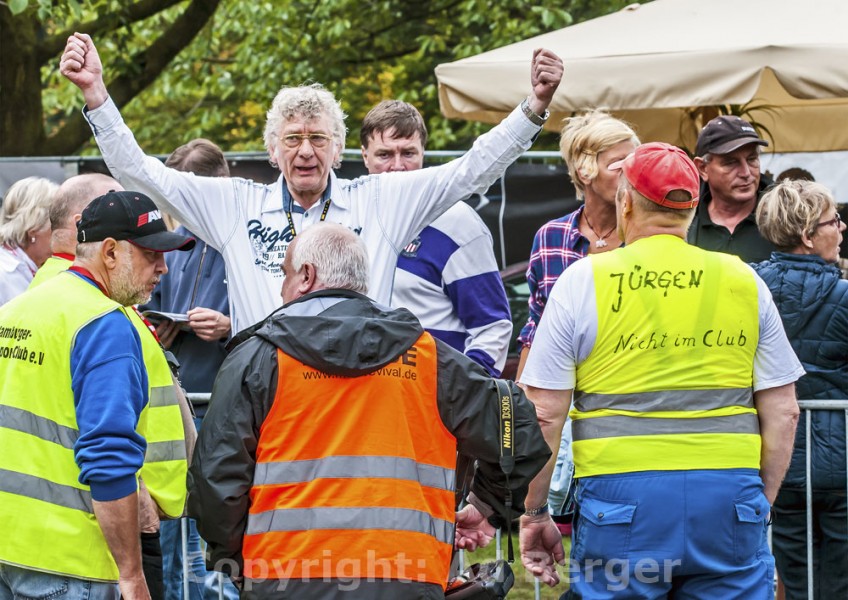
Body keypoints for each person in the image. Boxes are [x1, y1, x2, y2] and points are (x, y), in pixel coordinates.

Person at [60, 33, 563, 335]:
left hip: (358, 387)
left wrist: (533, 108)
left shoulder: (381, 199)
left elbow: (471, 168)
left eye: (319, 138)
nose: (305, 151)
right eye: (293, 139)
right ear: (272, 150)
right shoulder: (236, 204)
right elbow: (141, 173)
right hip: (266, 393)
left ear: (340, 150)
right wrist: (97, 95)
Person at [187, 222, 550, 599]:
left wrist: (233, 559)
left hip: (283, 576)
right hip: (408, 576)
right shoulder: (430, 359)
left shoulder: (259, 357)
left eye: (284, 275)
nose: (281, 289)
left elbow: (217, 478)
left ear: (307, 276)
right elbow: (519, 431)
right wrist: (485, 504)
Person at [518, 142, 803, 598]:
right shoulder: (743, 279)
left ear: (625, 201)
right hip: (728, 493)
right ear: (693, 206)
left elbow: (544, 414)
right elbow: (784, 409)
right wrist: (758, 502)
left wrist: (534, 510)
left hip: (621, 500)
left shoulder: (583, 280)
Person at [0, 190, 194, 600]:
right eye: (151, 255)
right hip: (70, 560)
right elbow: (107, 458)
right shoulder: (104, 324)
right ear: (109, 252)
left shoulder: (16, 311)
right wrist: (131, 574)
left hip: (10, 547)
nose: (163, 268)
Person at [516, 110, 639, 517]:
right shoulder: (551, 238)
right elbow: (535, 327)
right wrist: (521, 406)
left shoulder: (647, 237)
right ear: (586, 172)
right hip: (562, 407)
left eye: (635, 165)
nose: (631, 176)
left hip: (627, 409)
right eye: (619, 165)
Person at [139, 138, 237, 600]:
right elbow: (149, 309)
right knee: (173, 527)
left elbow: (285, 319)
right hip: (175, 408)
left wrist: (230, 326)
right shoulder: (175, 247)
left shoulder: (245, 243)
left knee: (212, 528)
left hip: (227, 407)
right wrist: (155, 329)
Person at [360, 100, 512, 376]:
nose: (397, 166)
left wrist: (467, 393)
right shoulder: (350, 217)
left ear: (423, 153)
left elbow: (492, 327)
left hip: (432, 400)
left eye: (408, 153)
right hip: (363, 399)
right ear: (364, 156)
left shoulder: (458, 223)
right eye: (384, 154)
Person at [752, 179, 848, 600]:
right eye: (834, 221)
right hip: (841, 460)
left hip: (776, 458)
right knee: (839, 582)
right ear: (808, 236)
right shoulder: (845, 295)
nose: (842, 228)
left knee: (792, 577)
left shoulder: (749, 286)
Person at [688, 115, 776, 262]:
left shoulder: (786, 217)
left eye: (752, 159)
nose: (746, 173)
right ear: (703, 168)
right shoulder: (684, 222)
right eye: (730, 163)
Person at [29, 172, 123, 288]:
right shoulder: (85, 285)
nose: (130, 226)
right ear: (81, 224)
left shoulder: (48, 277)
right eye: (117, 215)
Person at [0, 176, 57, 304]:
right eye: (55, 224)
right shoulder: (4, 274)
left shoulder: (36, 267)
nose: (60, 232)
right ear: (34, 229)